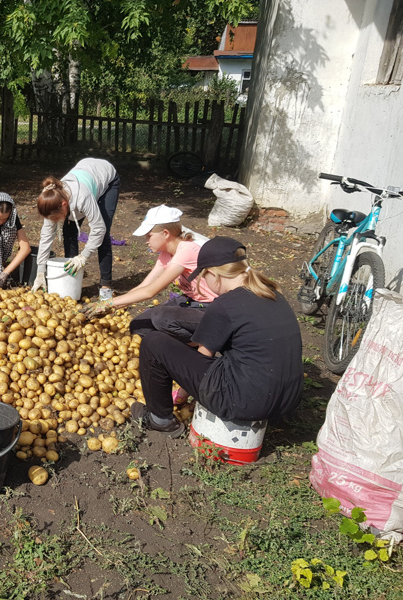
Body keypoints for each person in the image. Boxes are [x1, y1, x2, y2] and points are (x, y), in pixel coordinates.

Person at [130, 236, 303, 438]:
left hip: (245, 402)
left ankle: (159, 420)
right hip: (288, 400)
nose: (202, 282)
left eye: (203, 276)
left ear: (213, 274)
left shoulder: (225, 304)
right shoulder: (272, 293)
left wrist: (182, 396)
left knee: (153, 342)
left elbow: (203, 357)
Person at [81, 205, 217, 346]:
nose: (146, 241)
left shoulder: (186, 250)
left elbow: (150, 291)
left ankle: (205, 342)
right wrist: (112, 307)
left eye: (149, 236)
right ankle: (177, 342)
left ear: (165, 233)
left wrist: (109, 303)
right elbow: (145, 286)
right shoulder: (166, 253)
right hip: (190, 301)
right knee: (138, 326)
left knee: (161, 318)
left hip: (211, 308)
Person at [31, 158, 120, 300]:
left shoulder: (82, 198)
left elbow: (98, 228)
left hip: (106, 180)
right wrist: (40, 271)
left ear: (64, 204)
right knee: (69, 232)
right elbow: (46, 237)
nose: (55, 222)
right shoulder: (53, 200)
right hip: (84, 174)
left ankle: (106, 286)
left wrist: (84, 256)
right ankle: (72, 278)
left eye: (56, 218)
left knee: (103, 235)